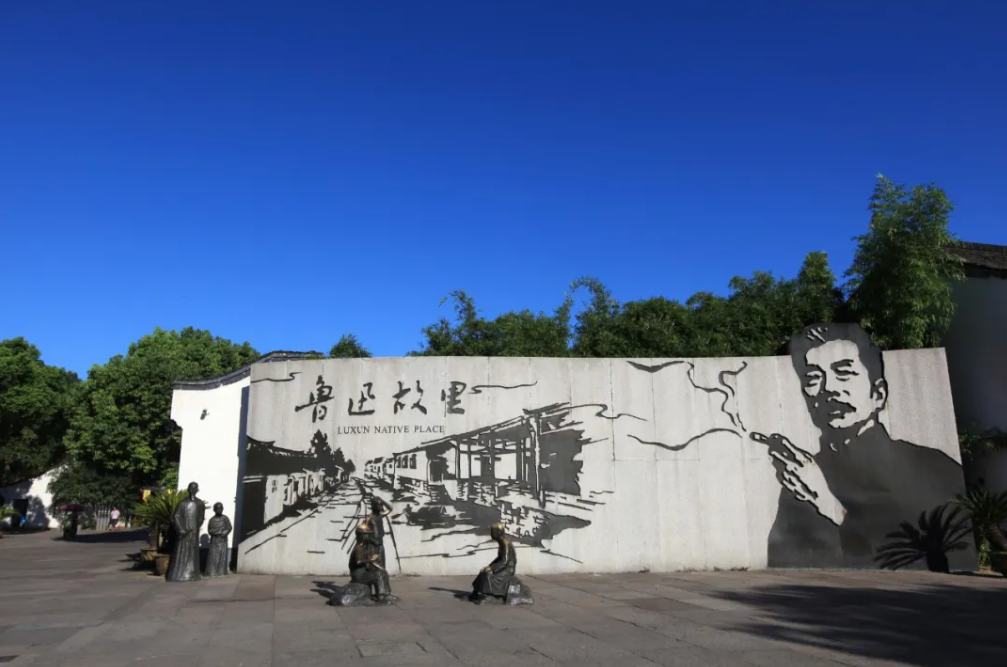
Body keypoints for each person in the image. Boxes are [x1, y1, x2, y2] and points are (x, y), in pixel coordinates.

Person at [752, 323, 966, 568]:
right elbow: (782, 560)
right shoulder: (802, 477)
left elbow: (927, 555)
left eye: (844, 372)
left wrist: (827, 504)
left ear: (878, 394)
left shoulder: (934, 468)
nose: (828, 389)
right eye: (813, 378)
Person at [166, 482, 205, 582]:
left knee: (192, 553)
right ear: (188, 489)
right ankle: (179, 574)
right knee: (182, 551)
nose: (193, 490)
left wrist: (195, 527)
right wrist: (181, 530)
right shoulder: (182, 503)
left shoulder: (200, 503)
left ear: (197, 490)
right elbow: (176, 516)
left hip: (194, 532)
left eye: (195, 488)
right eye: (191, 488)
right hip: (183, 533)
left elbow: (201, 518)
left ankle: (193, 574)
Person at [469, 522, 517, 603]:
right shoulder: (501, 541)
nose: (491, 533)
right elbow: (499, 558)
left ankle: (487, 595)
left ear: (499, 532)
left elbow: (504, 561)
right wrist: (489, 566)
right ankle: (476, 592)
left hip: (508, 568)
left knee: (489, 575)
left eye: (493, 531)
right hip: (503, 565)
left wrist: (492, 568)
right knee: (483, 571)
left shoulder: (505, 543)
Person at [349, 522, 393, 601]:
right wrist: (370, 559)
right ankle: (381, 596)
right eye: (368, 534)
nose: (370, 536)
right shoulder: (359, 548)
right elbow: (358, 561)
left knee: (381, 572)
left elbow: (365, 558)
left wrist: (379, 566)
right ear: (363, 536)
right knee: (378, 575)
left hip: (362, 572)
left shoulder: (362, 546)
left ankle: (385, 593)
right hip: (359, 575)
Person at [204, 503, 232, 577]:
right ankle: (212, 572)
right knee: (213, 557)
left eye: (221, 508)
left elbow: (229, 527)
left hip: (222, 540)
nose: (219, 510)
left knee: (222, 558)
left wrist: (225, 532)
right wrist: (220, 531)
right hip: (214, 541)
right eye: (217, 508)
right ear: (214, 510)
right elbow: (210, 531)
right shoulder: (212, 520)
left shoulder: (225, 518)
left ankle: (221, 572)